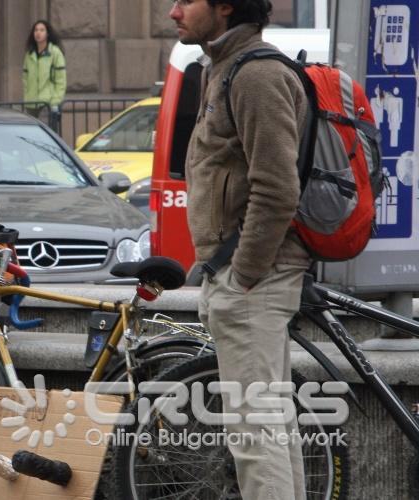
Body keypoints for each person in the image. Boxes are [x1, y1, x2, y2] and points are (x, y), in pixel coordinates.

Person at [170, 1, 308, 499]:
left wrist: (243, 273)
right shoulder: (226, 66)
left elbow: (277, 188)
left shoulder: (255, 74)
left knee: (255, 437)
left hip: (255, 278)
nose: (173, 11)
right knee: (268, 430)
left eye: (187, 1)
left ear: (225, 6)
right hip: (241, 274)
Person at [22, 20, 66, 129]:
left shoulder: (55, 52)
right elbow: (25, 77)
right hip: (31, 103)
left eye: (42, 30)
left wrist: (55, 101)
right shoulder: (30, 54)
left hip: (47, 103)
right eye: (36, 30)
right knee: (32, 134)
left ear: (47, 33)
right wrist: (27, 95)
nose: (38, 33)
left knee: (45, 133)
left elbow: (61, 80)